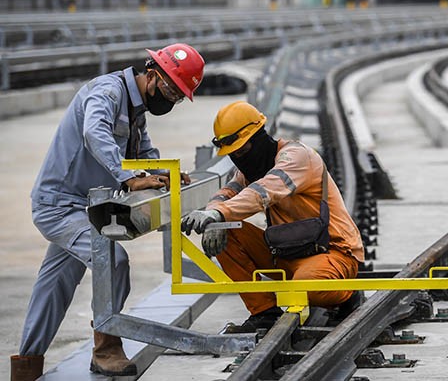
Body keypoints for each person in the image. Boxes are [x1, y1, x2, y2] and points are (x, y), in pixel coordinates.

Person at [10, 43, 205, 381]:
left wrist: (163, 175)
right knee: (113, 262)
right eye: (172, 90)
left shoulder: (137, 109)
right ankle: (106, 349)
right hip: (59, 206)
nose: (172, 99)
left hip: (84, 208)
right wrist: (129, 179)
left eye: (178, 96)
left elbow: (143, 149)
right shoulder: (108, 91)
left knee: (54, 287)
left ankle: (26, 366)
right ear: (153, 74)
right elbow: (94, 132)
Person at [181, 101, 364, 333]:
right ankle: (264, 312)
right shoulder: (251, 169)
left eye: (242, 150)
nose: (240, 158)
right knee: (225, 229)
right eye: (233, 154)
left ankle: (347, 294)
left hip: (331, 252)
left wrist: (218, 213)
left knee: (306, 287)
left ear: (258, 138)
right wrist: (215, 214)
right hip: (286, 252)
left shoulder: (296, 157)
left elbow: (264, 191)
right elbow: (226, 193)